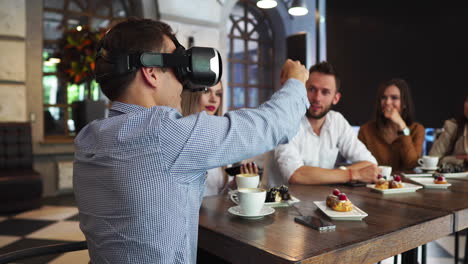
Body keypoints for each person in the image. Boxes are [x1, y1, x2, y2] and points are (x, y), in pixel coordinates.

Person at [73, 18, 309, 264]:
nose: (183, 82)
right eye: (178, 69)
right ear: (151, 72)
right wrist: (296, 82)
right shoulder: (164, 134)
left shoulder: (88, 138)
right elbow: (273, 124)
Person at [273, 61, 379, 186]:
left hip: (321, 201)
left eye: (325, 92)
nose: (317, 98)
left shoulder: (337, 121)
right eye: (312, 89)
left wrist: (337, 174)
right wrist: (352, 174)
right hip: (279, 202)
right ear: (302, 90)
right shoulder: (287, 121)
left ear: (336, 98)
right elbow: (296, 175)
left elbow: (370, 163)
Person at [180, 82, 258, 196]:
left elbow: (217, 195)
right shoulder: (178, 140)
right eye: (206, 91)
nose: (214, 99)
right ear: (191, 94)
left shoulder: (219, 140)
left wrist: (236, 184)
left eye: (218, 94)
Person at [358, 78, 425, 171]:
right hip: (375, 183)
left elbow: (412, 164)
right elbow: (360, 165)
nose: (387, 102)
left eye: (394, 98)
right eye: (384, 97)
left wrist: (402, 126)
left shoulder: (417, 129)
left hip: (407, 184)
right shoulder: (366, 130)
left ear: (404, 103)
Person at [429, 95, 468, 165]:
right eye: (467, 101)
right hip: (458, 175)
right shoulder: (453, 127)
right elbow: (432, 158)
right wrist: (463, 160)